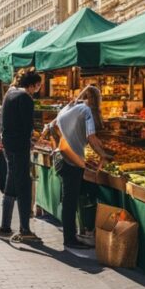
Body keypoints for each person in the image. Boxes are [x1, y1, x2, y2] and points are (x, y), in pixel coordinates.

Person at [47, 84, 113, 249]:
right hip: (72, 160)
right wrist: (103, 154)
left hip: (61, 156)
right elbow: (91, 137)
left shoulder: (69, 107)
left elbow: (53, 126)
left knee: (69, 199)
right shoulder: (86, 111)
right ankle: (70, 239)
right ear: (94, 100)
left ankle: (75, 233)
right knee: (70, 201)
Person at [0, 69, 44, 243]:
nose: (38, 88)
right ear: (33, 85)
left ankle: (5, 224)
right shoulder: (25, 98)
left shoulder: (9, 95)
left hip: (8, 144)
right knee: (24, 185)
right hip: (20, 146)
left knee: (11, 181)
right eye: (38, 85)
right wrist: (33, 140)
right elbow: (27, 126)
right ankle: (25, 229)